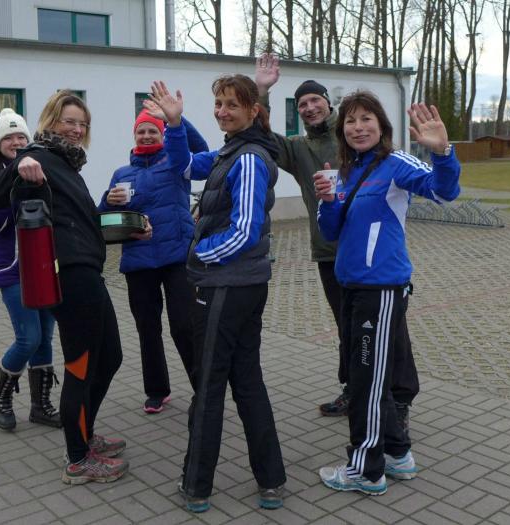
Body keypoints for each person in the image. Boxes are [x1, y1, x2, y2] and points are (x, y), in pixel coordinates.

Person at [0, 91, 151, 485]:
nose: (77, 129)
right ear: (52, 121)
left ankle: (85, 434)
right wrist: (19, 161)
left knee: (110, 356)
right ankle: (78, 458)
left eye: (83, 124)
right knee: (81, 365)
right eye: (70, 121)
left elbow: (81, 223)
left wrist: (125, 228)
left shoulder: (67, 164)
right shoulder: (38, 155)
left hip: (89, 270)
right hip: (71, 275)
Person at [255, 53, 420, 427]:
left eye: (315, 100)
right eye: (302, 104)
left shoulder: (350, 135)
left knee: (391, 330)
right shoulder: (298, 150)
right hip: (330, 253)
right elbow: (261, 136)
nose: (310, 107)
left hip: (373, 257)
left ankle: (399, 398)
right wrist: (262, 91)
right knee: (348, 326)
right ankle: (355, 389)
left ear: (328, 103)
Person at [148, 77, 287, 513]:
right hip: (239, 286)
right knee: (247, 381)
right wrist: (175, 125)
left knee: (209, 386)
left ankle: (196, 486)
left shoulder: (248, 159)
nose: (222, 111)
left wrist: (200, 256)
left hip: (226, 286)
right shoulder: (232, 151)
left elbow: (244, 232)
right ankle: (271, 481)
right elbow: (185, 167)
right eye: (218, 103)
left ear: (253, 111)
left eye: (232, 105)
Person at [315, 92, 460, 495]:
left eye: (366, 119)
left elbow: (444, 192)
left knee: (366, 384)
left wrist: (443, 153)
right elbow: (329, 231)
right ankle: (398, 455)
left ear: (381, 126)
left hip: (380, 291)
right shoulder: (345, 172)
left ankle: (366, 470)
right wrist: (327, 201)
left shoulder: (397, 164)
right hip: (352, 287)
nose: (358, 127)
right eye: (350, 121)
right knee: (371, 376)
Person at [98, 108, 208, 414]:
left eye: (153, 131)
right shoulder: (122, 174)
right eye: (141, 131)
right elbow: (106, 220)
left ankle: (203, 389)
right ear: (134, 136)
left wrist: (176, 119)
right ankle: (157, 391)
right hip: (139, 261)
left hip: (177, 258)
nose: (146, 136)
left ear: (162, 134)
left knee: (184, 327)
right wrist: (108, 201)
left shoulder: (176, 162)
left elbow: (203, 152)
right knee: (147, 328)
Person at [0, 109, 61, 432]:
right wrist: (14, 185)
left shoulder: (42, 168)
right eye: (8, 137)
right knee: (28, 339)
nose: (15, 142)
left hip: (44, 266)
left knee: (45, 338)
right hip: (12, 270)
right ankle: (0, 396)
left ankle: (40, 406)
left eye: (20, 136)